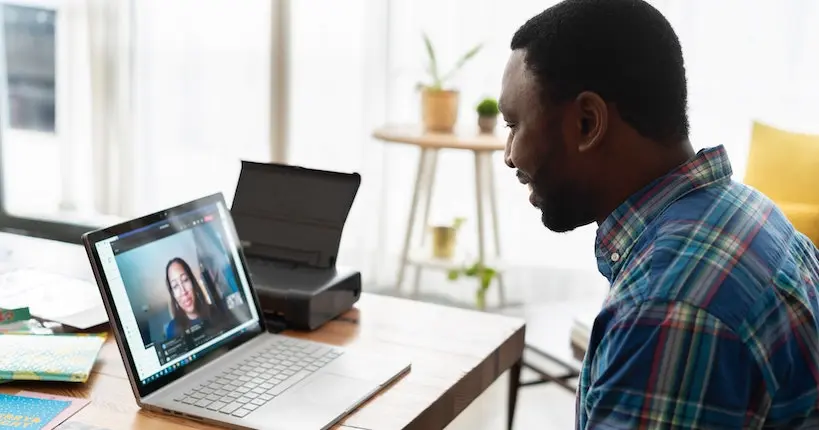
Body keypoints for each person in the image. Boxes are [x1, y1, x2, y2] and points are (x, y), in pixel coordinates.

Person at [500, 0, 819, 428]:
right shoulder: (750, 211)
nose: (509, 156)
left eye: (514, 125)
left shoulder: (666, 308)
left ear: (587, 123)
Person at [164, 257, 214, 340]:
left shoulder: (214, 311)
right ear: (173, 294)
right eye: (175, 286)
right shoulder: (172, 329)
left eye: (185, 280)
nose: (183, 291)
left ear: (193, 282)